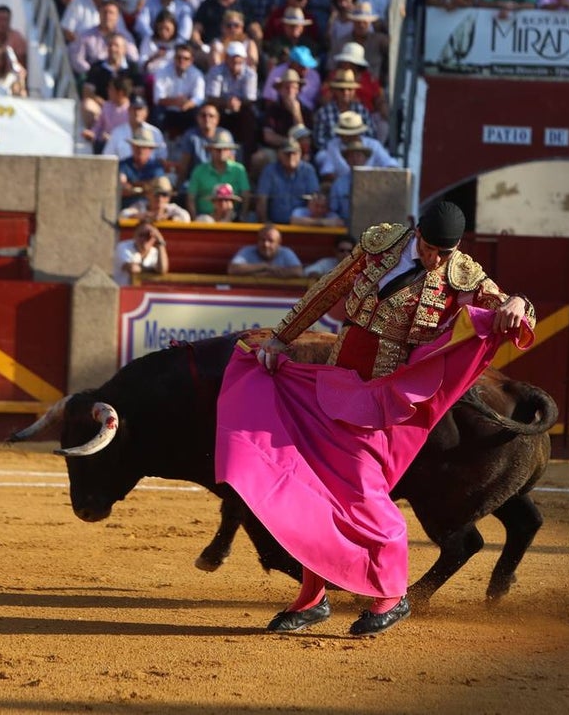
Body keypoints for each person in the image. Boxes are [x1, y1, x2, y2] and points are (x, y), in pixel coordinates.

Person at [218, 201, 534, 636]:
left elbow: (510, 309)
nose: (435, 259)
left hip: (384, 399)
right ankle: (311, 598)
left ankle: (391, 593)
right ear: (416, 233)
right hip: (336, 381)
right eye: (430, 248)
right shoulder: (381, 244)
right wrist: (280, 338)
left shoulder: (462, 274)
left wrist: (518, 302)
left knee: (362, 493)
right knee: (316, 489)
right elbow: (328, 290)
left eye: (445, 252)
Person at [186, 130, 252, 219]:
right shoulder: (199, 171)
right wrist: (195, 221)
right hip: (205, 218)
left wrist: (242, 217)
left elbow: (246, 195)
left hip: (233, 217)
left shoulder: (239, 170)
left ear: (230, 151)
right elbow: (191, 198)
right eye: (218, 149)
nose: (221, 152)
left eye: (225, 149)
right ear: (211, 150)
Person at [256, 140, 320, 223]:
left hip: (302, 224)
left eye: (294, 153)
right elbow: (262, 199)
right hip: (275, 224)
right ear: (279, 154)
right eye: (287, 154)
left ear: (300, 154)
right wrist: (265, 223)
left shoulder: (308, 170)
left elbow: (314, 198)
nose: (291, 157)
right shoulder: (270, 171)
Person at [227, 225, 304, 277]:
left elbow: (298, 272)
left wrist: (269, 274)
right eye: (262, 240)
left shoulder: (286, 252)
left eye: (271, 241)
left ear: (279, 243)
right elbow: (232, 269)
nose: (266, 244)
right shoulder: (247, 251)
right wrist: (264, 266)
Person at [119, 135, 167, 214]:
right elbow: (123, 187)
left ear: (151, 149)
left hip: (149, 208)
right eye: (137, 147)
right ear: (132, 147)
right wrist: (146, 188)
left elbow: (158, 188)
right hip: (126, 208)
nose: (140, 150)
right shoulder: (124, 165)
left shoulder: (156, 167)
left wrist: (133, 187)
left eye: (144, 147)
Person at [113, 220, 169, 286]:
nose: (144, 239)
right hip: (122, 290)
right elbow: (133, 268)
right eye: (141, 235)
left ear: (154, 238)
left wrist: (160, 242)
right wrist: (152, 270)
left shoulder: (155, 252)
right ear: (134, 236)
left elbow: (163, 269)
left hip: (144, 291)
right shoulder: (123, 246)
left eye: (148, 236)